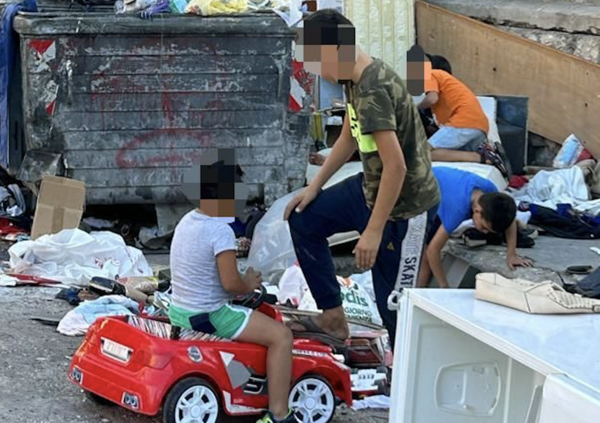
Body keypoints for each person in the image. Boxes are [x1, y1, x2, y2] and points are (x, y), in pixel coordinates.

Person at [284, 9, 440, 349]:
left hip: (404, 209)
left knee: (393, 304)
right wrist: (314, 188)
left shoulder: (373, 90)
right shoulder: (354, 79)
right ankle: (332, 317)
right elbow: (349, 138)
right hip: (370, 188)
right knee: (304, 219)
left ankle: (401, 377)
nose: (314, 69)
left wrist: (372, 230)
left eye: (314, 58)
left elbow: (396, 166)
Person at [169, 155, 295, 423]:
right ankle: (279, 414)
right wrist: (249, 282)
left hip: (180, 309)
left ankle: (245, 387)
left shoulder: (188, 221)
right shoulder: (220, 230)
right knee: (282, 337)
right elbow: (231, 285)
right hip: (210, 314)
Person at [417, 166, 533, 288]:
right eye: (484, 227)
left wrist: (512, 255)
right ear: (477, 211)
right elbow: (432, 251)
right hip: (423, 187)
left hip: (446, 181)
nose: (484, 232)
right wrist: (444, 285)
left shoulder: (491, 193)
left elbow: (510, 221)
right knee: (425, 252)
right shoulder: (457, 211)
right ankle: (416, 292)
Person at [416, 58, 508, 176]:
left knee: (422, 152)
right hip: (477, 126)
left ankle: (481, 157)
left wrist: (415, 108)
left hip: (463, 122)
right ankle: (484, 154)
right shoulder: (445, 81)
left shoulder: (429, 74)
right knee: (435, 154)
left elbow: (432, 99)